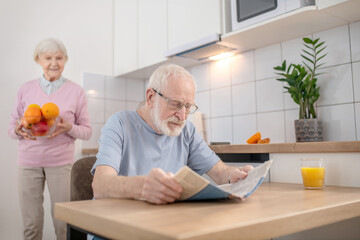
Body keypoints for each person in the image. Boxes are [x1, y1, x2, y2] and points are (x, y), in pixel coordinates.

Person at [91, 63, 253, 205]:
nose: (182, 116)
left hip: (162, 223)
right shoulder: (119, 124)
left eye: (188, 107)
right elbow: (100, 185)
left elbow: (220, 173)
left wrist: (234, 175)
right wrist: (143, 187)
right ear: (151, 97)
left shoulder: (187, 131)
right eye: (175, 104)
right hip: (115, 226)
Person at [8, 38, 92, 240]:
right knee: (31, 226)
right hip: (28, 163)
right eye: (48, 58)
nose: (54, 63)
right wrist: (19, 130)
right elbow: (11, 129)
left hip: (60, 163)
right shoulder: (25, 89)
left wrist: (68, 127)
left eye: (59, 58)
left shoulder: (76, 91)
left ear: (65, 60)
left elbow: (87, 131)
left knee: (63, 225)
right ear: (38, 60)